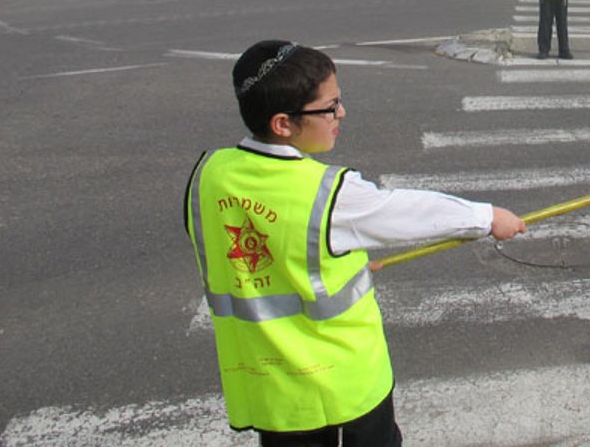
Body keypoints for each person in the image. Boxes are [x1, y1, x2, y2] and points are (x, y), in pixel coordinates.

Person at [185, 40, 525, 444]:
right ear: (282, 123)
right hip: (342, 390)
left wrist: (343, 264)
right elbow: (409, 212)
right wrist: (489, 218)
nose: (340, 113)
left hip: (272, 393)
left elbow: (274, 251)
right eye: (329, 107)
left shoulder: (209, 175)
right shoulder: (327, 194)